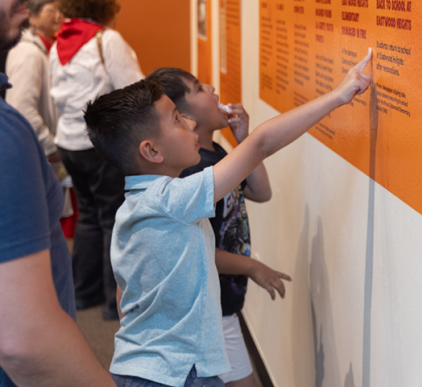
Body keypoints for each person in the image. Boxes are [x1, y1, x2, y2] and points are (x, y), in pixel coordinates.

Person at [83, 49, 373, 387]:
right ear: (151, 151)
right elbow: (261, 144)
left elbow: (125, 296)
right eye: (177, 119)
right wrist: (337, 96)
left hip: (139, 367)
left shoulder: (131, 209)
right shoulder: (171, 200)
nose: (191, 123)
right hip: (177, 375)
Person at [0, 0, 114, 387]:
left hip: (67, 146)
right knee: (103, 219)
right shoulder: (5, 137)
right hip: (80, 148)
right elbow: (25, 341)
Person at [147, 68, 289, 387]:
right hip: (206, 308)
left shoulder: (217, 155)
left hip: (221, 304)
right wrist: (253, 267)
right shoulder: (193, 172)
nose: (212, 89)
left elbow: (261, 192)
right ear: (183, 115)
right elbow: (197, 250)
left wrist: (244, 141)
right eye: (199, 88)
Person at [50, 0, 144, 320]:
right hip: (100, 144)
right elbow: (135, 91)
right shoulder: (107, 40)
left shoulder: (59, 44)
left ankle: (84, 291)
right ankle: (112, 303)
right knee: (113, 218)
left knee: (88, 215)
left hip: (69, 143)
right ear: (103, 4)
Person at [6, 0, 63, 161]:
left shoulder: (46, 50)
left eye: (59, 9)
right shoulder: (28, 53)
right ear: (31, 15)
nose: (59, 16)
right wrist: (50, 148)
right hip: (37, 156)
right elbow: (22, 109)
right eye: (51, 10)